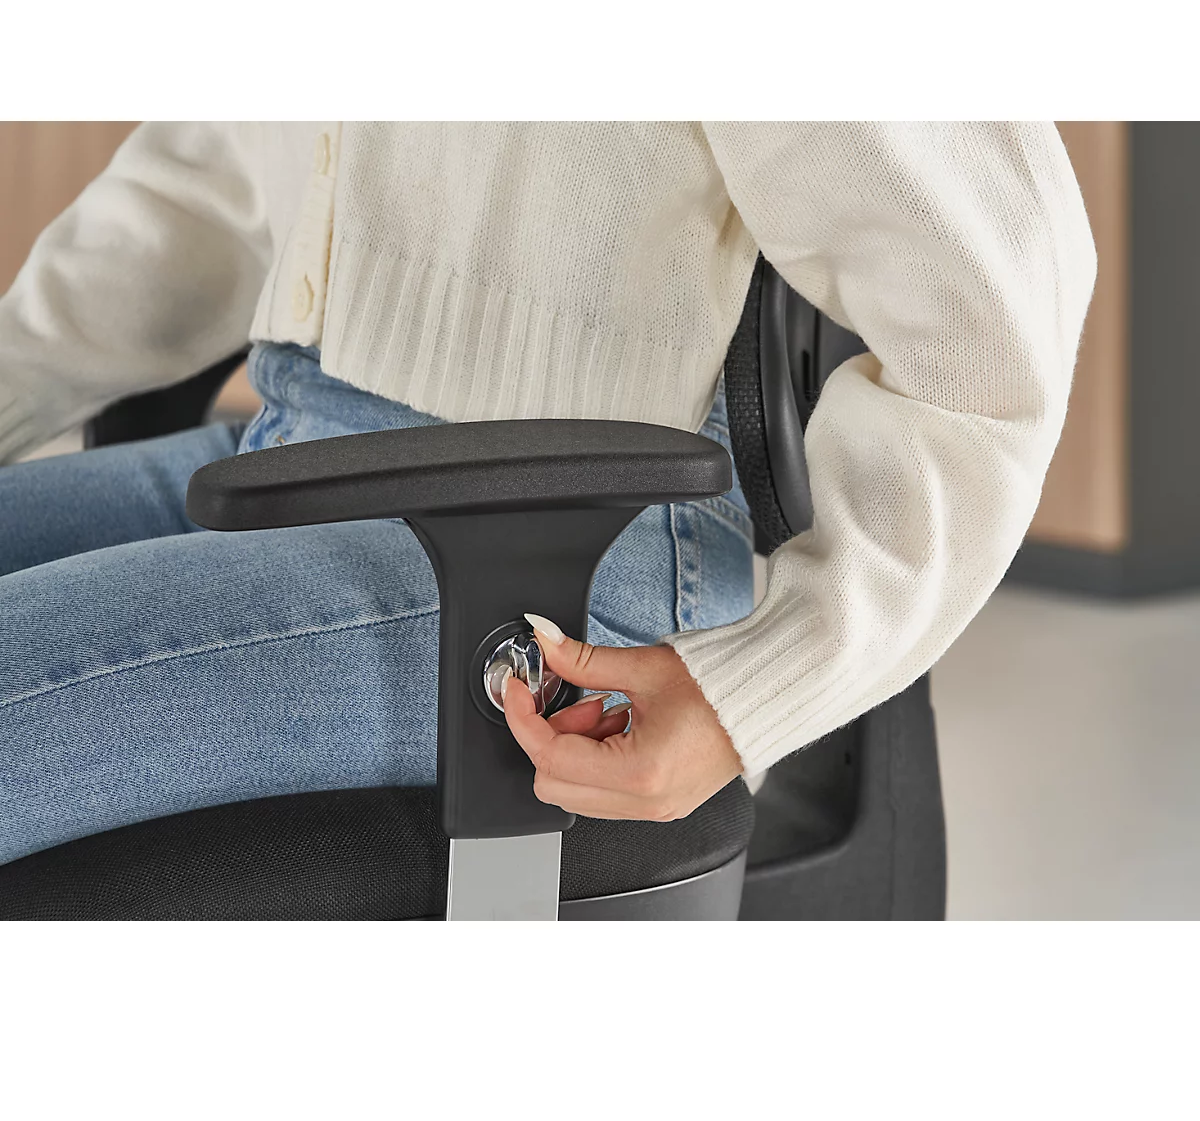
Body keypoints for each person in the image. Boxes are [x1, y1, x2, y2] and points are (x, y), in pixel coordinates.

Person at [0, 122, 1096, 863]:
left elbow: (987, 331)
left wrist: (755, 686)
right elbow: (207, 180)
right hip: (297, 427)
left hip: (566, 543)